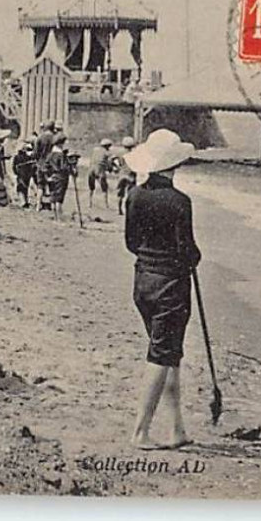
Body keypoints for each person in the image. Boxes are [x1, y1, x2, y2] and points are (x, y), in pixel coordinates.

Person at [123, 128, 200, 450]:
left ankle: (176, 429)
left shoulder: (134, 195)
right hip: (170, 286)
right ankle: (140, 432)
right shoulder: (179, 201)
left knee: (169, 355)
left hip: (143, 282)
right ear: (174, 165)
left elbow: (130, 243)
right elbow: (187, 251)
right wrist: (194, 257)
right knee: (161, 356)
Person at [38, 132, 72, 218]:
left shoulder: (50, 155)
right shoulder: (61, 155)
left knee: (53, 197)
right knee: (59, 199)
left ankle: (54, 216)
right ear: (60, 143)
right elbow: (64, 167)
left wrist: (47, 177)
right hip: (61, 178)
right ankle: (59, 218)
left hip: (52, 178)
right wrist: (70, 167)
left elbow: (45, 167)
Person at [86, 138, 113, 210]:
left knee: (91, 187)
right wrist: (110, 169)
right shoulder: (107, 152)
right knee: (104, 188)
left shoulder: (95, 150)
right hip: (99, 170)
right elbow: (109, 163)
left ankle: (89, 203)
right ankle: (106, 205)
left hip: (91, 169)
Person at [113, 135, 136, 216]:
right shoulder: (134, 154)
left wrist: (117, 167)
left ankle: (119, 210)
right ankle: (128, 211)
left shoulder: (120, 153)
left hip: (122, 174)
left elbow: (113, 160)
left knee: (120, 194)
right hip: (131, 175)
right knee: (131, 194)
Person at [11, 138, 38, 208]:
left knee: (22, 188)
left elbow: (13, 166)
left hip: (22, 174)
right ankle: (24, 201)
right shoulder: (27, 157)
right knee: (24, 188)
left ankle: (23, 201)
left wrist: (15, 172)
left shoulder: (18, 157)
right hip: (25, 175)